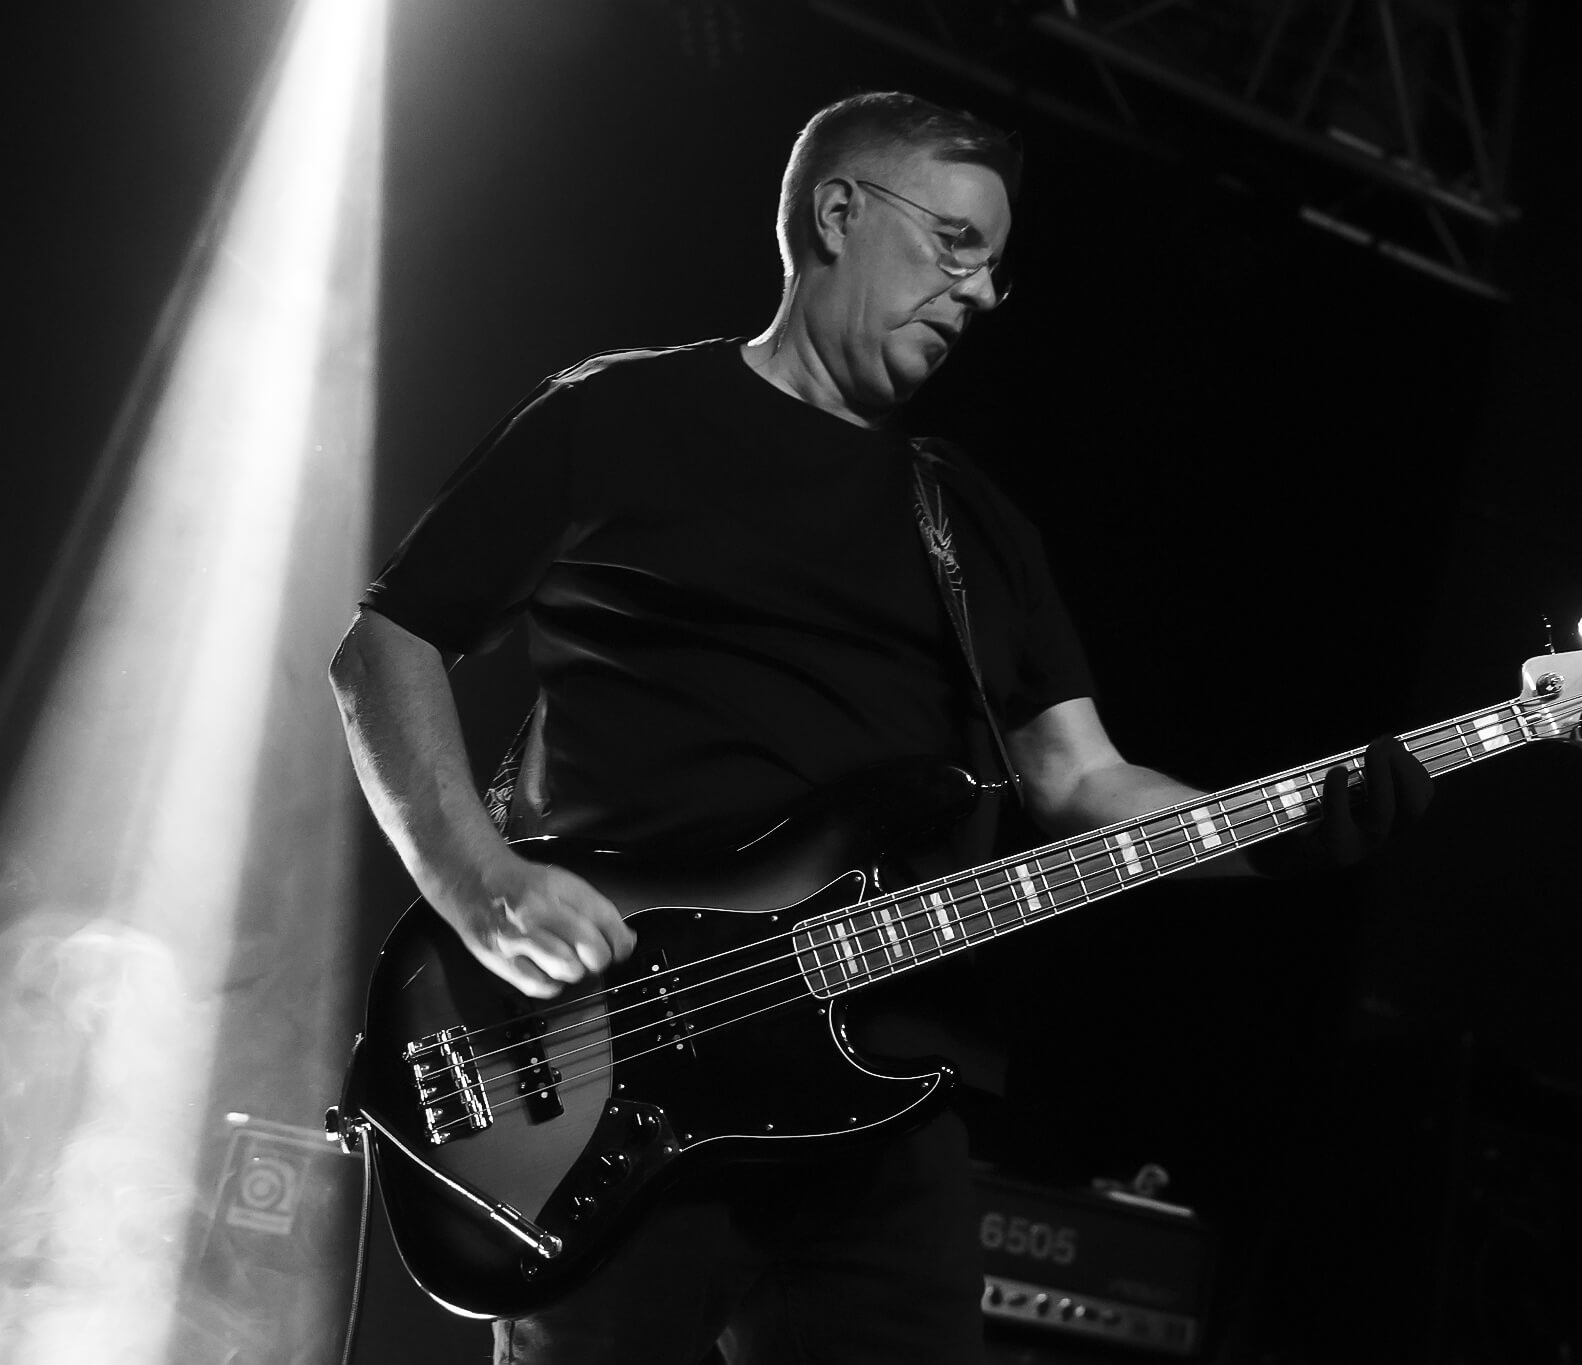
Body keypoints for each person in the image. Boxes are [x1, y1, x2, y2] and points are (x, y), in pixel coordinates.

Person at [329, 90, 1429, 1365]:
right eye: (956, 244)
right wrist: (476, 881)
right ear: (837, 213)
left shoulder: (971, 523)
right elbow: (386, 646)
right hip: (612, 1062)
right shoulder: (616, 414)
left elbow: (1082, 781)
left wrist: (1286, 832)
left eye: (996, 270)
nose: (978, 293)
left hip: (883, 1090)